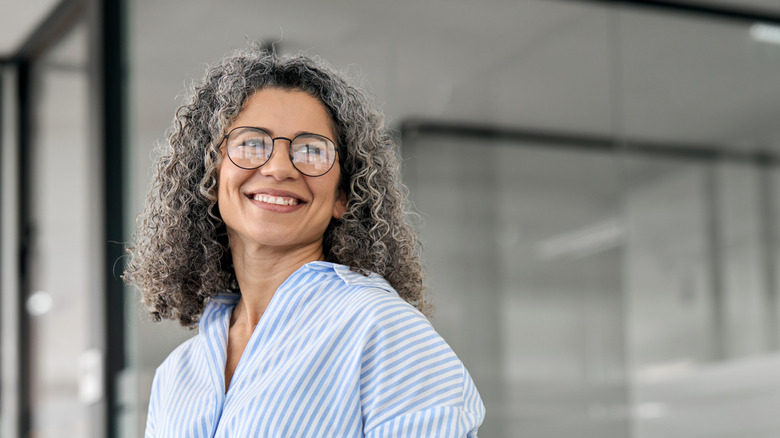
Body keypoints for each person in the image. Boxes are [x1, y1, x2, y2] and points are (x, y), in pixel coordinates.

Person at [124, 45, 485, 437]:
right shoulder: (177, 374)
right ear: (210, 178)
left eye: (311, 150)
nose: (279, 167)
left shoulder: (381, 329)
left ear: (344, 196)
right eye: (251, 143)